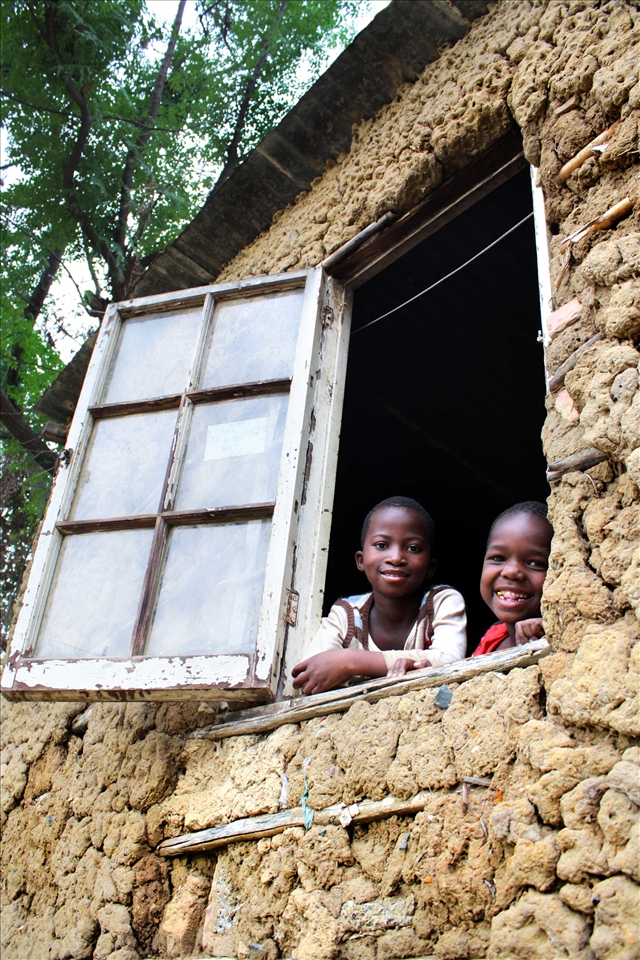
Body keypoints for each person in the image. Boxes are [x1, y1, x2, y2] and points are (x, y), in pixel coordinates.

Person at [291, 496, 467, 694]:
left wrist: (350, 662)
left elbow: (449, 660)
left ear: (430, 567)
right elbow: (312, 676)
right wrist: (400, 665)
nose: (396, 558)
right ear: (361, 560)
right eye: (382, 545)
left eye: (413, 548)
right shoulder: (345, 615)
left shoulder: (442, 602)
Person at [472, 501, 553, 656]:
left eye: (535, 563)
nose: (511, 572)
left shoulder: (563, 638)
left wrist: (551, 629)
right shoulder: (493, 637)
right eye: (498, 558)